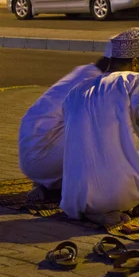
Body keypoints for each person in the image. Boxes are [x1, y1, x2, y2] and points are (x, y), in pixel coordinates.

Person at [60, 28, 139, 225]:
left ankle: (94, 211)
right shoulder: (133, 80)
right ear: (135, 63)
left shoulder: (79, 89)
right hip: (119, 192)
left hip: (75, 195)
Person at [18, 43, 112, 202]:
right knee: (111, 137)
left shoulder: (84, 71)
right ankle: (90, 202)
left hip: (30, 155)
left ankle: (52, 188)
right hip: (42, 158)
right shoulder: (97, 82)